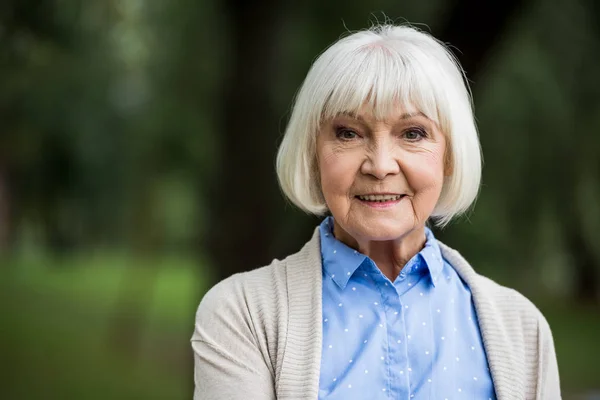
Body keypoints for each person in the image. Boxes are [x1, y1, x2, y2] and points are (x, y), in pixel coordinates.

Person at [191, 23, 561, 399]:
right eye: (348, 133)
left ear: (449, 156)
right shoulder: (243, 315)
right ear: (313, 154)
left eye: (413, 133)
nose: (380, 165)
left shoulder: (521, 328)